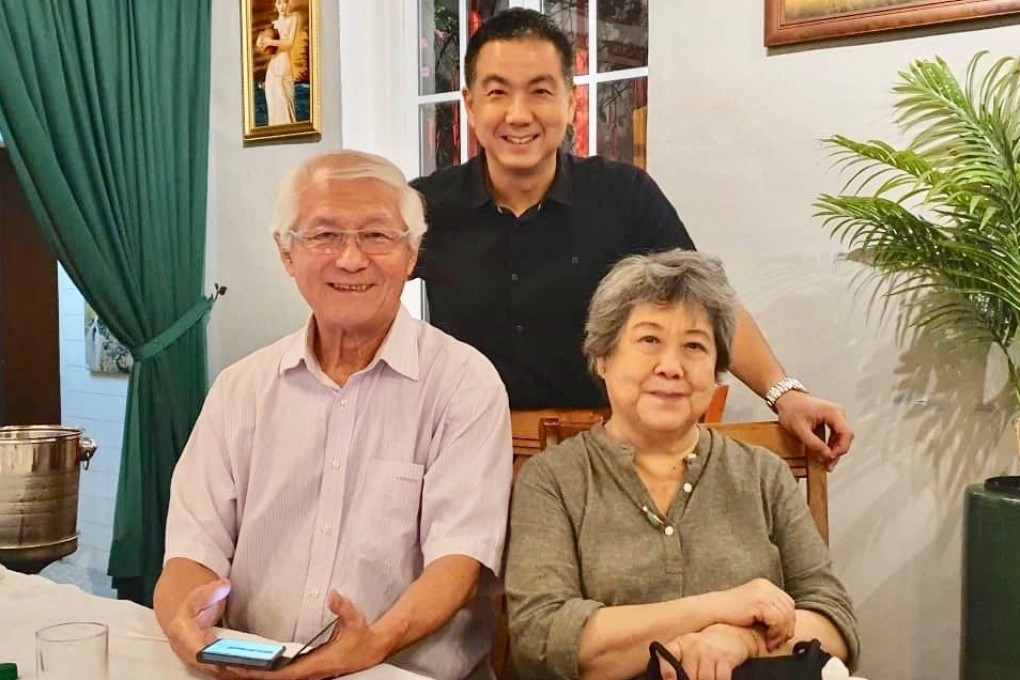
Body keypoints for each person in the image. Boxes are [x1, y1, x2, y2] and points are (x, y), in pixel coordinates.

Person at [410, 8, 853, 468]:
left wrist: (786, 395)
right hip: (466, 455)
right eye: (497, 92)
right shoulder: (425, 207)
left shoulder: (622, 195)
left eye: (540, 91)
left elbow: (706, 302)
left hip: (603, 456)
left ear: (571, 103)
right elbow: (356, 290)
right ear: (470, 103)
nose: (518, 114)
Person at [153, 151, 513, 680]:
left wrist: (373, 645)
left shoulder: (465, 385)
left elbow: (458, 566)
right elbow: (192, 550)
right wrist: (185, 622)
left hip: (398, 671)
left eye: (377, 236)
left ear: (412, 255)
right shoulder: (241, 389)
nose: (350, 259)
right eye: (324, 236)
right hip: (249, 669)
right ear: (286, 254)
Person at [505, 249, 859, 680]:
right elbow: (541, 641)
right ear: (603, 357)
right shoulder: (553, 480)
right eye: (649, 340)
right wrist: (722, 607)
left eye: (694, 346)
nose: (671, 367)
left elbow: (833, 619)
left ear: (715, 370)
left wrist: (738, 640)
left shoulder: (762, 473)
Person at [256, 0, 299, 125]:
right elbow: (261, 44)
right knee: (273, 106)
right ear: (275, 5)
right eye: (279, 3)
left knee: (286, 103)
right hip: (272, 68)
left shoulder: (293, 19)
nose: (282, 6)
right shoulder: (272, 25)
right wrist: (261, 41)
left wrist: (271, 42)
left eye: (284, 2)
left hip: (284, 65)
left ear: (288, 4)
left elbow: (289, 44)